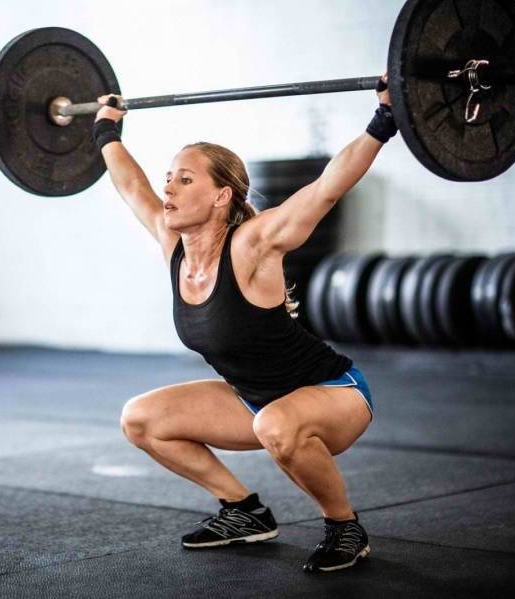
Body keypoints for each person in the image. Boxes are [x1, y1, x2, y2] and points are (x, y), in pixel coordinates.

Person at [91, 75, 396, 573]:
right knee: (140, 419)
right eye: (169, 177)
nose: (167, 187)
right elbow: (130, 185)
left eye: (185, 179)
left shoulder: (252, 245)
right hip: (254, 401)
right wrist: (106, 129)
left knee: (276, 424)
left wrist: (385, 118)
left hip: (333, 393)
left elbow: (326, 189)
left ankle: (345, 526)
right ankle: (244, 511)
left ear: (221, 196)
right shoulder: (174, 247)